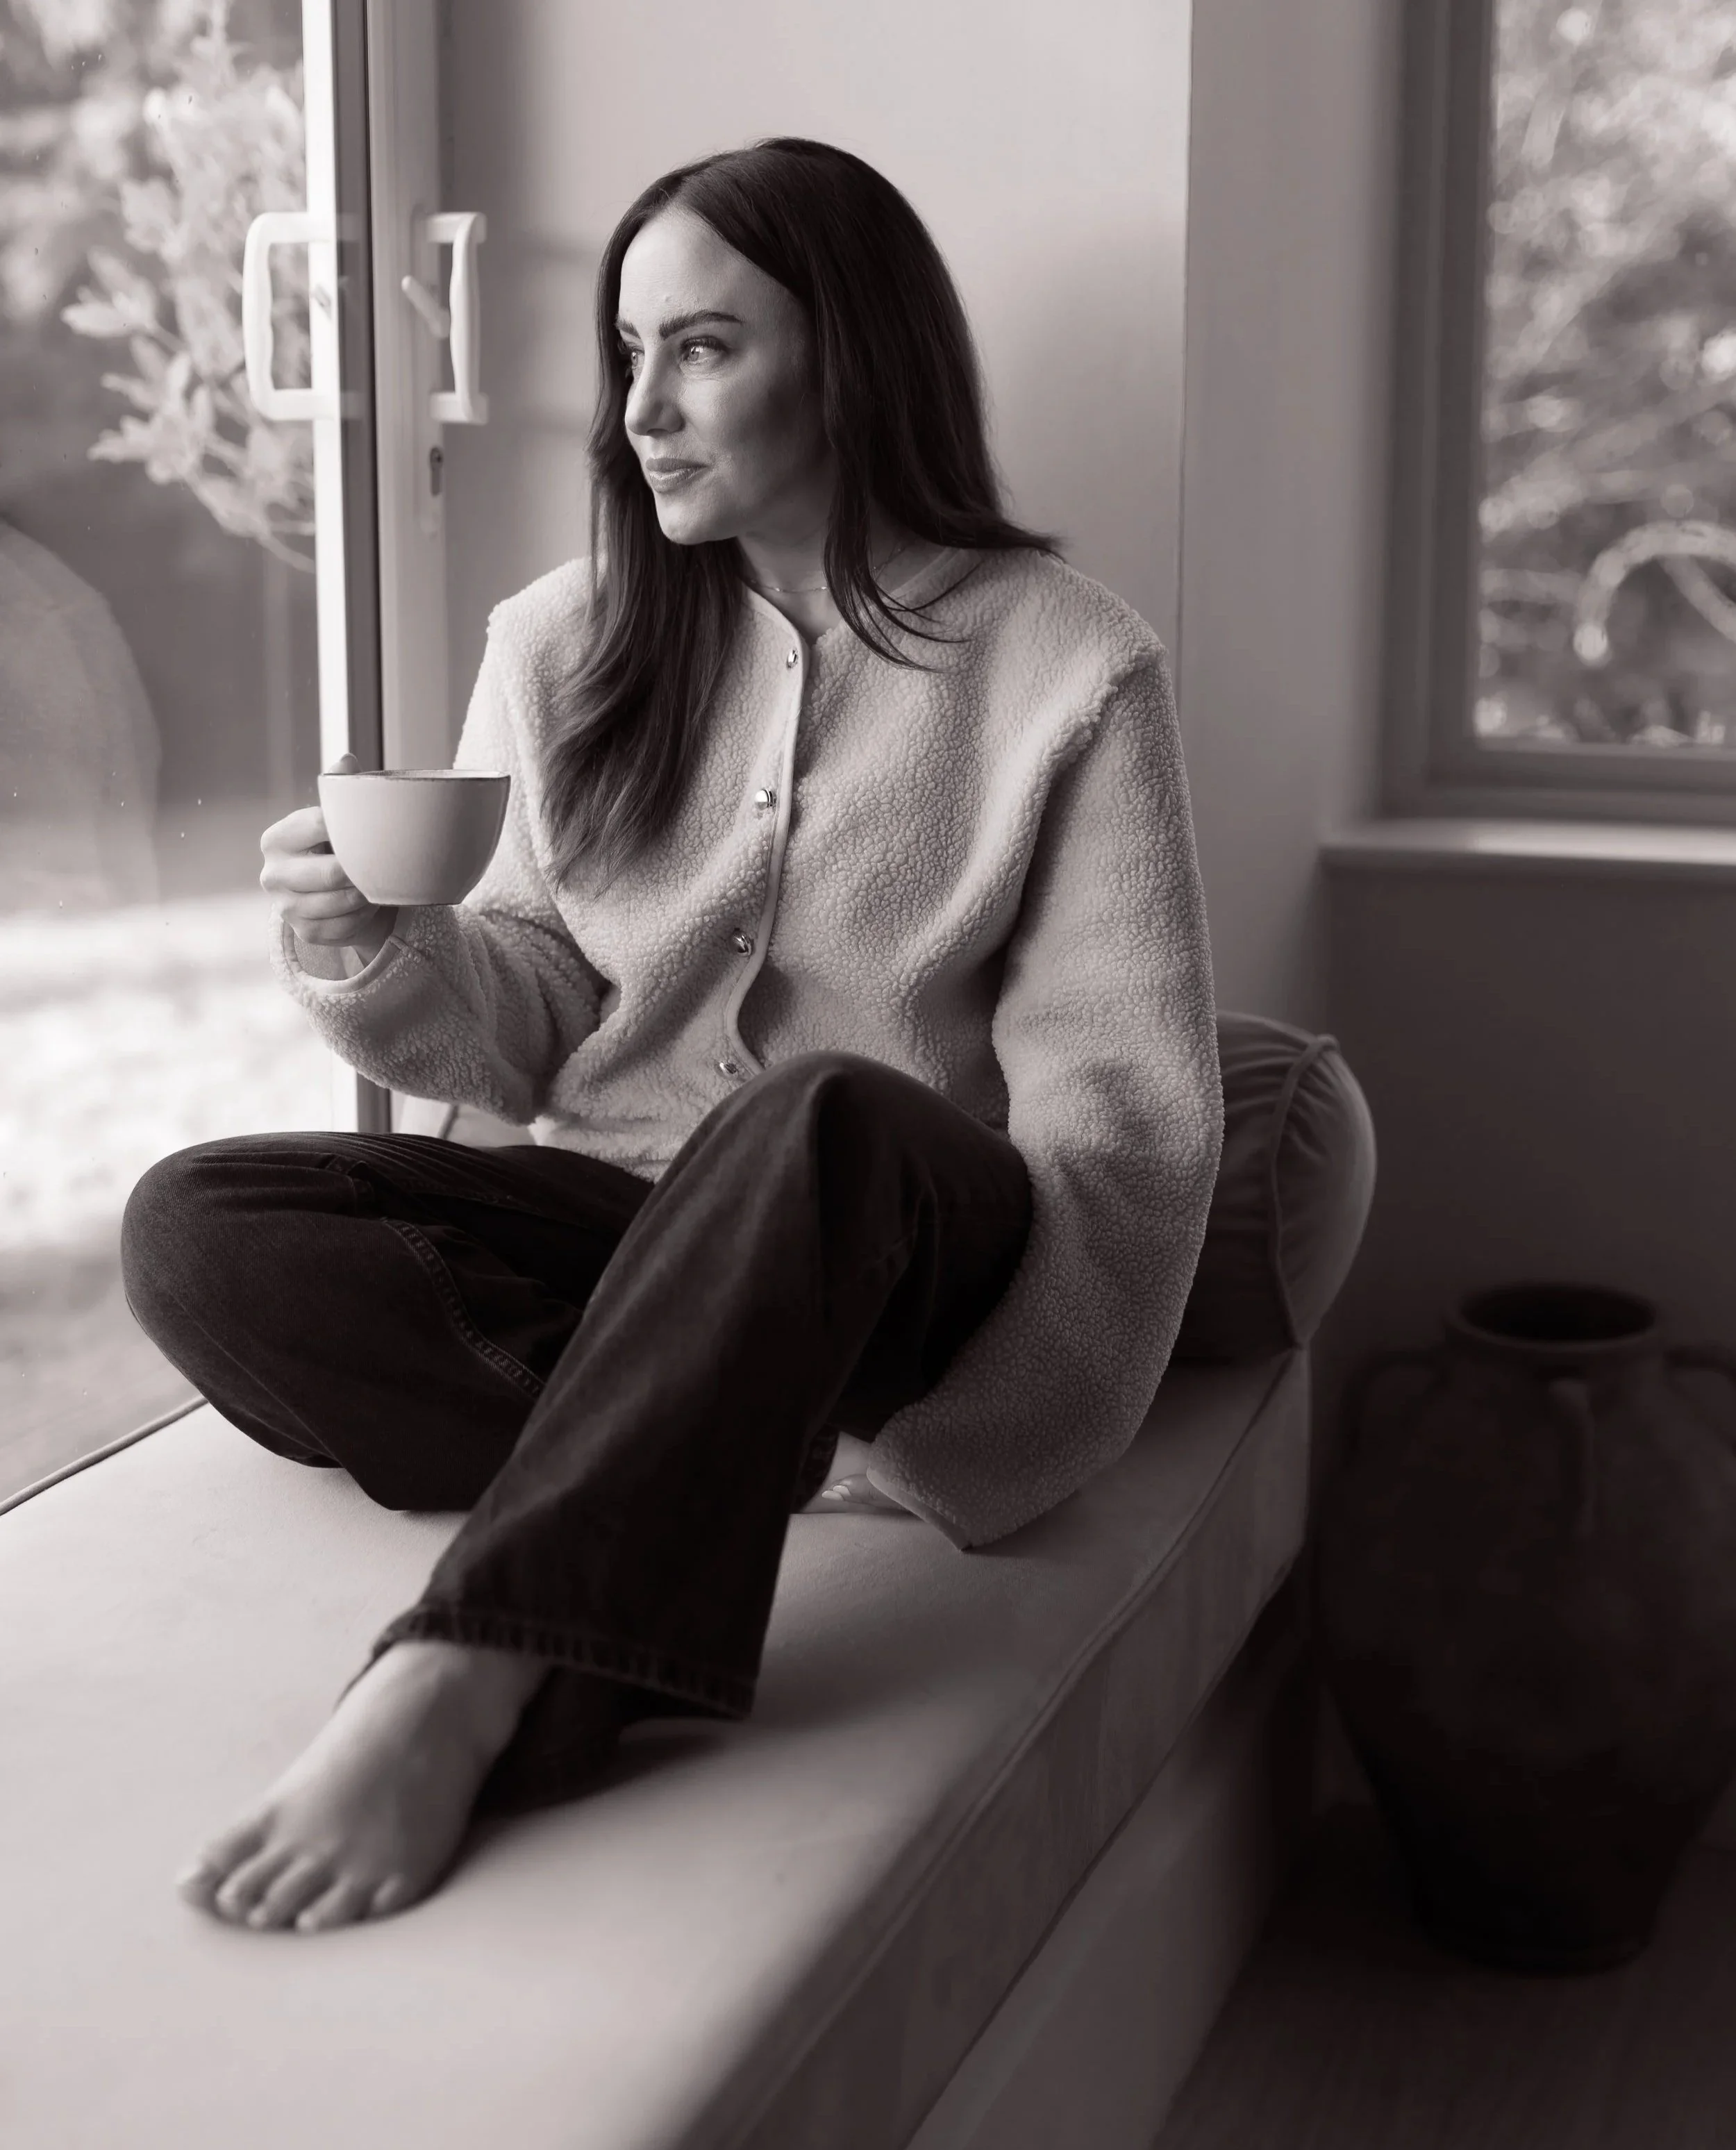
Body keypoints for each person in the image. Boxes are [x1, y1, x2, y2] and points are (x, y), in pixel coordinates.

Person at [121, 137, 1223, 1937]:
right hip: (630, 1232)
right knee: (195, 1223)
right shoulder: (562, 641)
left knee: (812, 1118)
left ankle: (473, 1668)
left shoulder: (1067, 666)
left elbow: (1124, 1119)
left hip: (879, 1240)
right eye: (627, 353)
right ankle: (704, 1437)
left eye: (703, 347)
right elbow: (541, 1006)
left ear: (854, 358)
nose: (642, 407)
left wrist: (986, 1441)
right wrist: (382, 958)